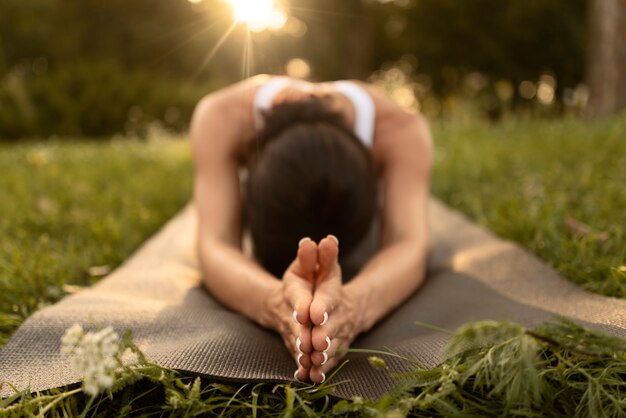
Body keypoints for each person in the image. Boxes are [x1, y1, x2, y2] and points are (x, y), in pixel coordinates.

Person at [190, 75, 433, 384]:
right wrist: (276, 304)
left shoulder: (401, 130)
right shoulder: (220, 116)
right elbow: (215, 241)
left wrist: (352, 308)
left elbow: (409, 241)